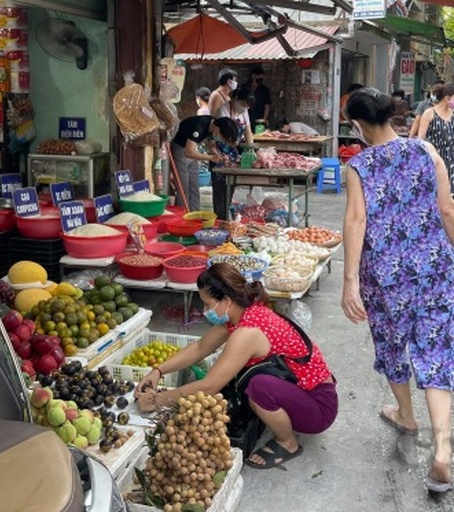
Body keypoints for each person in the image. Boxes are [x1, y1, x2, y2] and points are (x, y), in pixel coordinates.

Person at [341, 87, 454, 493]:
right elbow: (446, 209)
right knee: (436, 351)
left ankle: (407, 415)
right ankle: (442, 449)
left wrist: (349, 281)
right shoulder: (426, 151)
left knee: (392, 345)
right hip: (434, 268)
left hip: (386, 276)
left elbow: (356, 221)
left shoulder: (359, 166)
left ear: (358, 124)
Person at [134, 263, 338, 470]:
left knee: (257, 387)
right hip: (304, 391)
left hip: (320, 408)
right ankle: (277, 413)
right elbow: (200, 347)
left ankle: (287, 442)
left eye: (207, 304)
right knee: (239, 377)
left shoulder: (247, 332)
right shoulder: (243, 313)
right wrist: (158, 370)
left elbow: (209, 386)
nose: (204, 311)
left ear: (227, 301)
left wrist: (158, 400)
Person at [170, 116, 239, 212]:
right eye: (222, 139)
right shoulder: (198, 127)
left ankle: (195, 214)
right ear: (218, 130)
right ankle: (183, 216)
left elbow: (211, 145)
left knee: (194, 187)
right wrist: (211, 158)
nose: (221, 140)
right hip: (181, 149)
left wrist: (218, 156)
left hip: (193, 150)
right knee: (183, 188)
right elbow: (188, 152)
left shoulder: (214, 124)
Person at [210, 85, 255, 219]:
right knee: (220, 190)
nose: (244, 107)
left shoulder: (243, 111)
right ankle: (220, 220)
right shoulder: (222, 111)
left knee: (230, 188)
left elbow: (248, 131)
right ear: (235, 99)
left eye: (247, 106)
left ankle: (226, 217)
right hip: (219, 152)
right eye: (242, 104)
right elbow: (221, 135)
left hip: (233, 153)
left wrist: (251, 149)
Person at [417, 82, 454, 188]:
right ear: (447, 99)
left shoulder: (453, 114)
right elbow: (420, 139)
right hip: (435, 160)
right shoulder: (429, 113)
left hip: (451, 160)